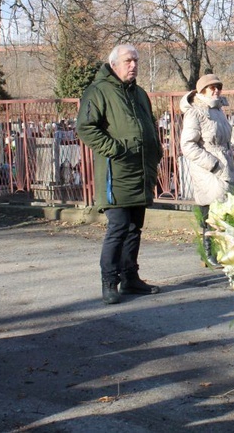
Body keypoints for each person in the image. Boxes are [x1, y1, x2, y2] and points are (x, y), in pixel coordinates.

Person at [76, 44, 163, 305]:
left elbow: (150, 126)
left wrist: (156, 151)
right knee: (119, 227)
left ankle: (130, 279)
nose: (133, 65)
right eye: (128, 61)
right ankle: (109, 282)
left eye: (136, 60)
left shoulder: (140, 94)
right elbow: (86, 128)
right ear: (114, 64)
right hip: (117, 172)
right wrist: (116, 149)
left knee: (135, 227)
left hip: (140, 171)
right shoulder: (99, 91)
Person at [180, 74, 234, 267]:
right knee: (211, 210)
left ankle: (224, 251)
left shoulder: (219, 110)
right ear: (201, 91)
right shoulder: (195, 112)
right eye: (211, 88)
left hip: (224, 164)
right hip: (207, 169)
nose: (216, 90)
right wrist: (212, 164)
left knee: (226, 209)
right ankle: (209, 252)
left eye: (218, 87)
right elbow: (188, 145)